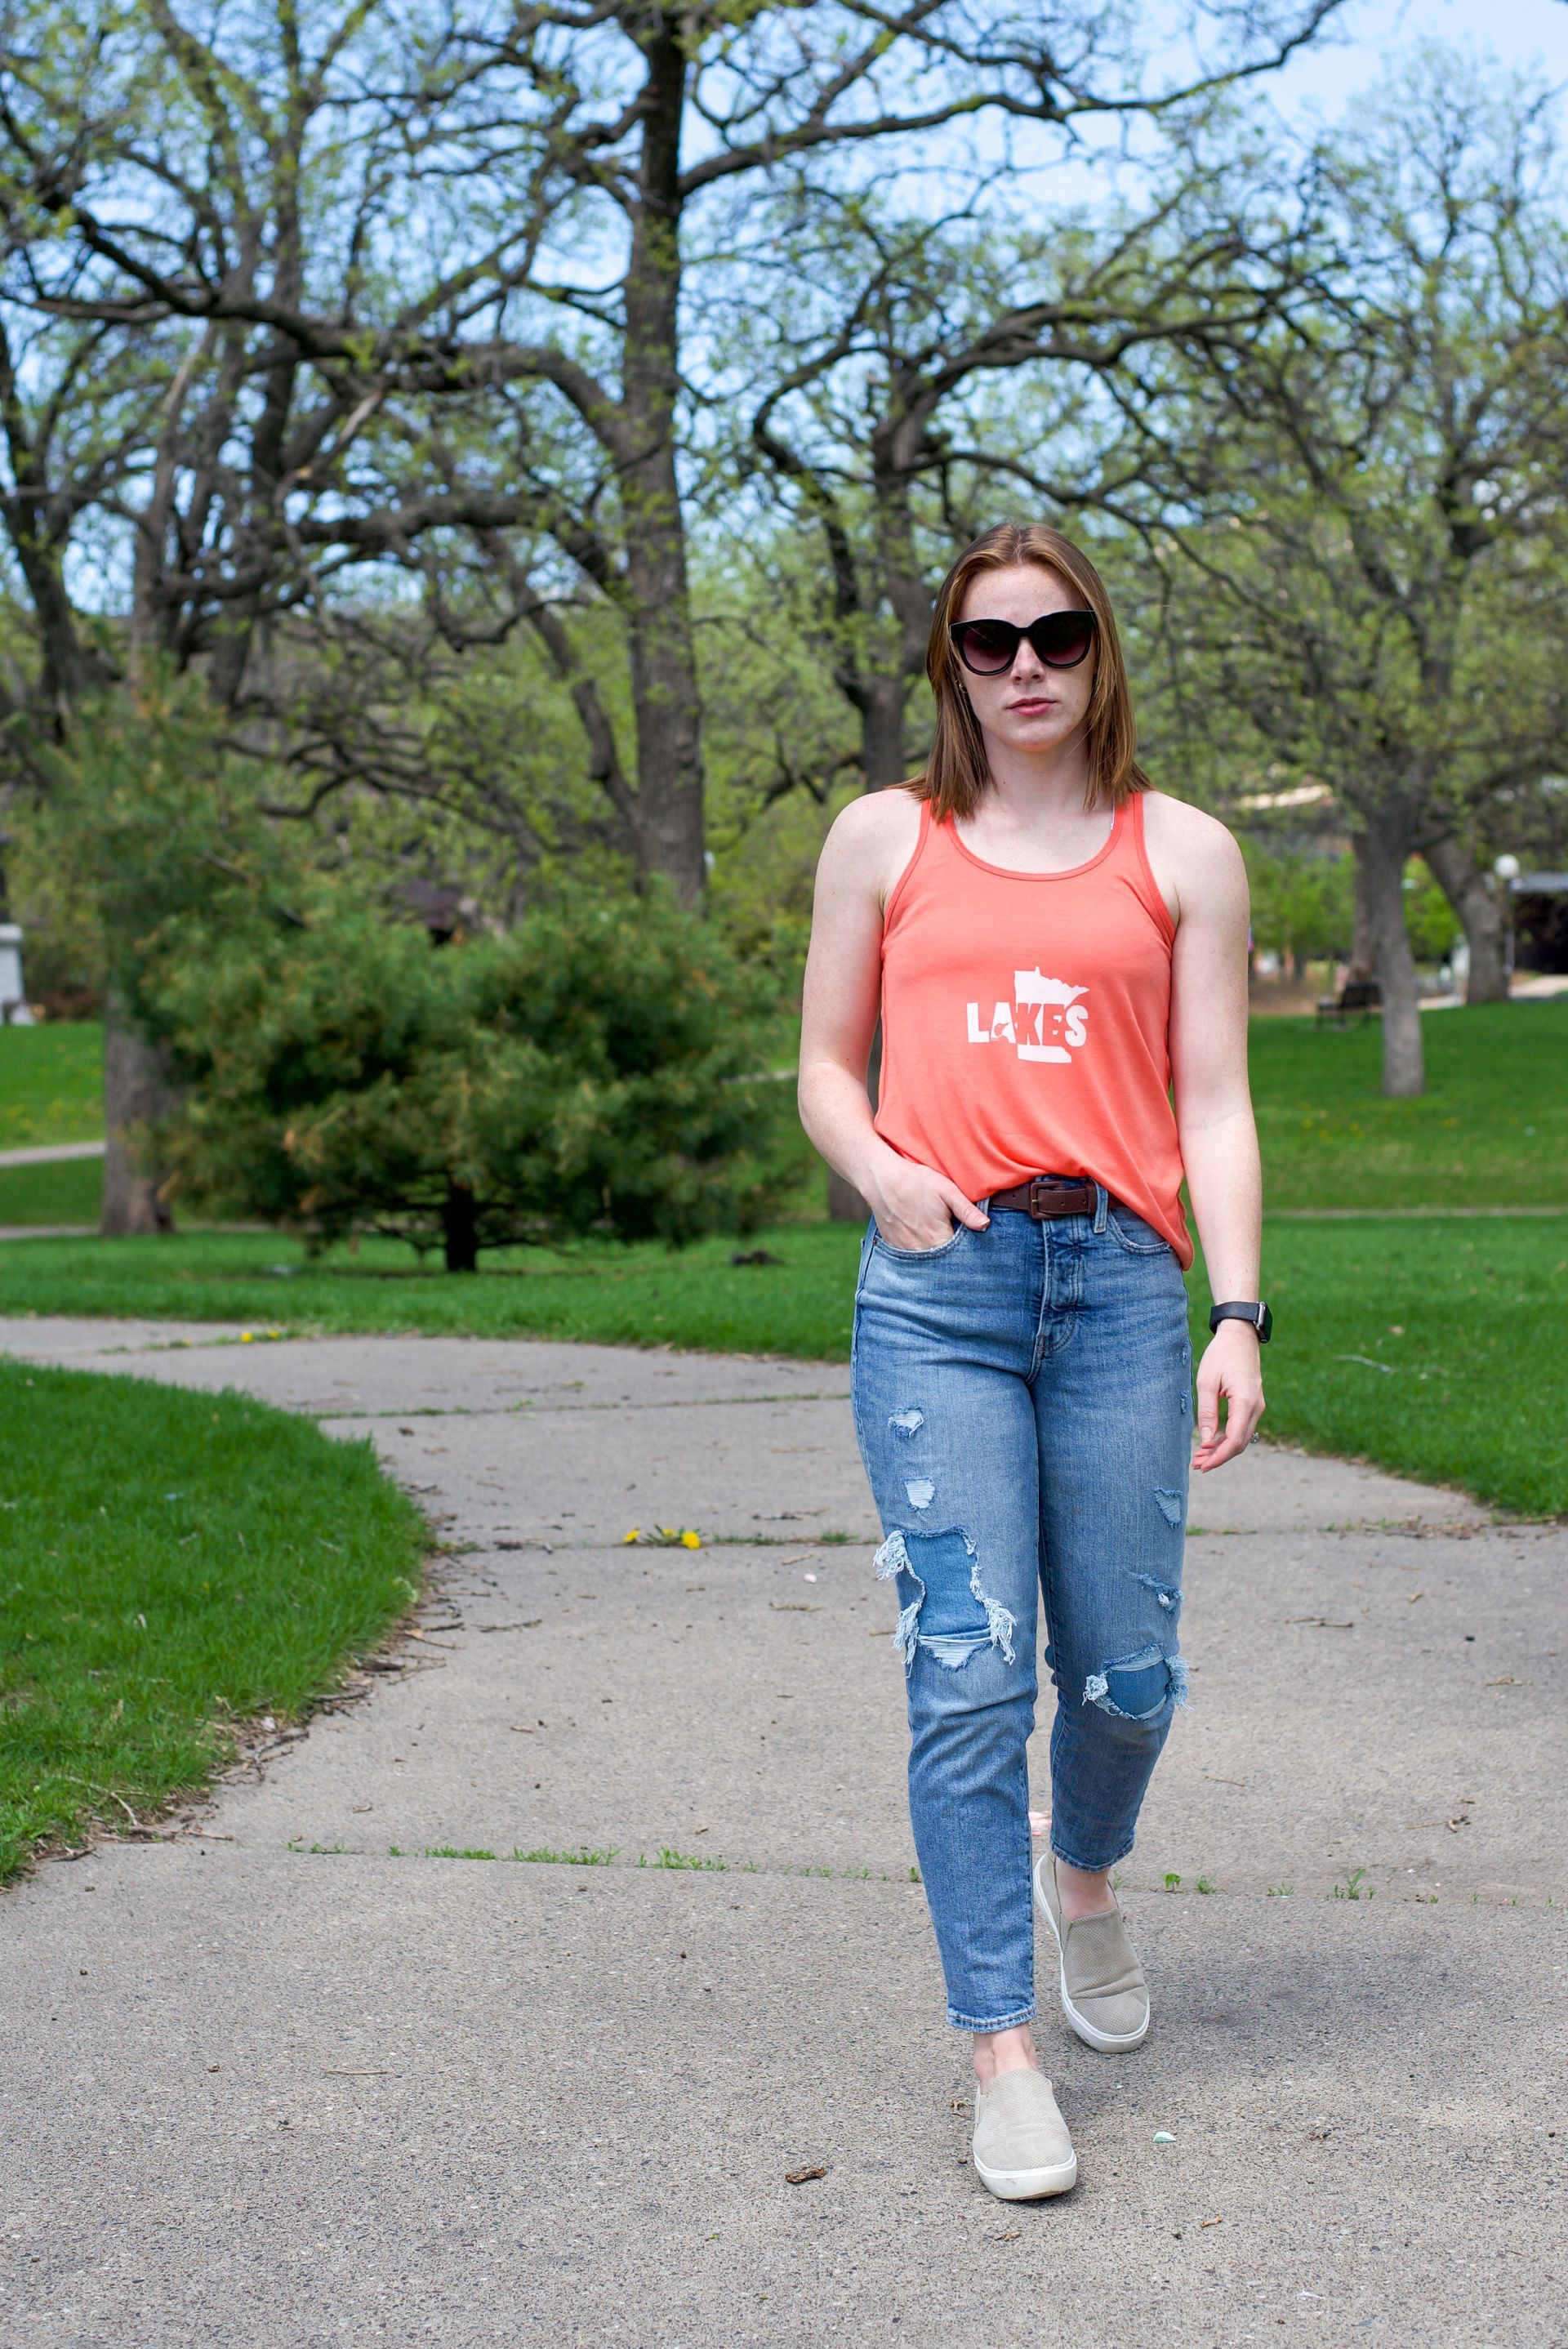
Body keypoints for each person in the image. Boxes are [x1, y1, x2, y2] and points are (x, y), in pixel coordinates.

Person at [798, 522, 1267, 2202]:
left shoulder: (1187, 853)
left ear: (1100, 649)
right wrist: (879, 1170)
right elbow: (823, 1073)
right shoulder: (885, 840)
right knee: (972, 1665)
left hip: (1127, 1290)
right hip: (939, 1289)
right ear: (951, 667)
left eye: (1055, 637)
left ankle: (1088, 1865)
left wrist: (1238, 1311)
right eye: (989, 644)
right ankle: (1001, 2047)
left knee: (1126, 1673)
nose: (1025, 671)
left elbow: (1212, 1101)